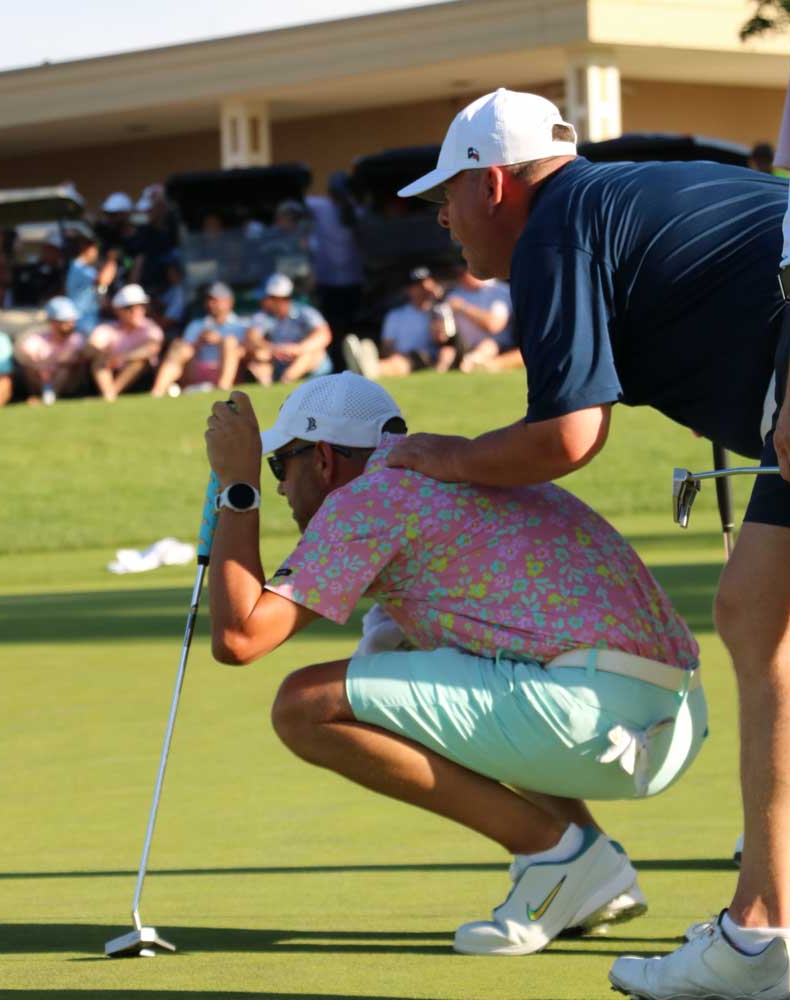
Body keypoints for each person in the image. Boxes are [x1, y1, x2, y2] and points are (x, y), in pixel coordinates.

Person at [385, 87, 790, 987]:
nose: (443, 215)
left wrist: (446, 457)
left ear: (498, 184)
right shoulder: (617, 193)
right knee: (769, 615)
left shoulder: (557, 232)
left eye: (450, 192)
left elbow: (567, 438)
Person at [203, 373, 707, 955]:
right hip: (667, 715)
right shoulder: (442, 471)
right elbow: (387, 657)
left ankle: (560, 857)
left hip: (597, 717)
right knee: (403, 661)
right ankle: (590, 868)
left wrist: (238, 487)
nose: (282, 488)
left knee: (304, 705)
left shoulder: (371, 496)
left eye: (279, 469)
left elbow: (241, 637)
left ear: (321, 458)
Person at [343, 267, 448, 378]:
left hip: (428, 358)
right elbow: (387, 346)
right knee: (400, 361)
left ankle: (366, 368)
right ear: (409, 290)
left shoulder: (440, 311)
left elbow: (443, 339)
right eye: (418, 286)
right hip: (401, 358)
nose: (422, 289)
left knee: (407, 360)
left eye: (426, 285)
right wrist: (394, 355)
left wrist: (437, 303)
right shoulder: (395, 315)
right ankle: (367, 367)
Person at [306, 171, 364, 369]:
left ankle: (351, 363)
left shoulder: (353, 211)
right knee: (335, 328)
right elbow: (299, 204)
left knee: (348, 328)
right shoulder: (325, 207)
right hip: (332, 282)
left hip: (348, 282)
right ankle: (339, 365)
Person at [151, 282, 245, 396]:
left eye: (215, 300)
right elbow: (184, 352)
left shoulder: (241, 326)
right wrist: (199, 343)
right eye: (208, 300)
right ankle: (157, 392)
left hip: (227, 371)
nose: (211, 304)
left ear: (229, 302)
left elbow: (244, 352)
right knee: (179, 346)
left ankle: (223, 388)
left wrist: (220, 342)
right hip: (195, 371)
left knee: (229, 342)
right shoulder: (196, 325)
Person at [241, 273, 332, 386]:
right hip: (279, 362)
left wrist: (297, 349)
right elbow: (251, 338)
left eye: (267, 297)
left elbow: (324, 335)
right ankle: (268, 385)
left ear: (279, 299)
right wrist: (274, 348)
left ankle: (287, 379)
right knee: (260, 353)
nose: (262, 301)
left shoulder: (305, 312)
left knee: (313, 352)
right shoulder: (263, 316)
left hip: (308, 365)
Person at [87, 284, 163, 401]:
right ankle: (109, 396)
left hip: (142, 379)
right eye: (130, 308)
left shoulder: (150, 327)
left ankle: (111, 394)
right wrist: (104, 355)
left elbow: (152, 348)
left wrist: (122, 358)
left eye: (140, 307)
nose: (136, 311)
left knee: (138, 362)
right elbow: (91, 347)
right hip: (112, 372)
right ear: (118, 310)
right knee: (99, 363)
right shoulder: (108, 328)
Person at [437, 264, 512, 373]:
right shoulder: (453, 294)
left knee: (488, 346)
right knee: (446, 352)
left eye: (464, 272)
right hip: (462, 347)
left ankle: (471, 363)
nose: (461, 276)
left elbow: (494, 325)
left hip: (498, 348)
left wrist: (463, 308)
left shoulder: (500, 291)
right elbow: (442, 333)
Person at [14, 296, 87, 404]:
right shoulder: (38, 340)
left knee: (65, 368)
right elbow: (24, 356)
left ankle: (50, 396)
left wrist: (54, 362)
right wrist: (41, 365)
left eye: (72, 320)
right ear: (52, 321)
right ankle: (44, 395)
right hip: (41, 382)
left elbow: (72, 358)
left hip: (70, 386)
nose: (70, 324)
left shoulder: (77, 339)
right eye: (65, 320)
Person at [66, 235, 117, 335]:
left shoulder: (79, 266)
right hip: (82, 320)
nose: (97, 253)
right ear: (87, 249)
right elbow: (103, 280)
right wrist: (112, 259)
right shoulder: (78, 267)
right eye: (95, 249)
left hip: (86, 318)